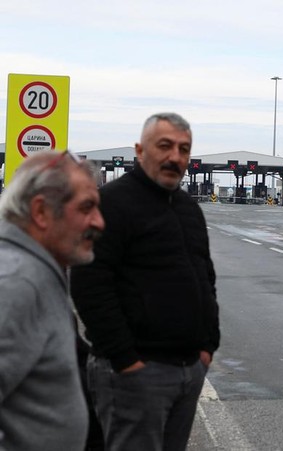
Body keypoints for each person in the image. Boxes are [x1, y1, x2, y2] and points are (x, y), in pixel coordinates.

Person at [71, 113, 220, 451]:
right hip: (134, 374)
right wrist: (126, 360)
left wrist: (208, 346)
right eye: (164, 146)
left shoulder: (188, 209)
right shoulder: (111, 203)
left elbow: (205, 278)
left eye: (184, 149)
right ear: (140, 150)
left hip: (188, 368)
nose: (175, 157)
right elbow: (89, 283)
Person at [0, 150, 104, 450]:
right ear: (41, 212)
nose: (99, 222)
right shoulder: (18, 283)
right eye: (86, 208)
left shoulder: (35, 271)